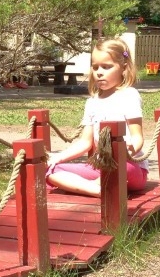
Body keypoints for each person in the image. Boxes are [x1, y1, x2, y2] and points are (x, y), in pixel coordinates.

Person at [45, 38, 148, 197]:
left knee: (119, 168)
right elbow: (85, 142)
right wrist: (58, 157)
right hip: (101, 166)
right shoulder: (92, 102)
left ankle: (98, 185)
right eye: (95, 67)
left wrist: (130, 148)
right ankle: (98, 189)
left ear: (123, 67)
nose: (99, 72)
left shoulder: (129, 95)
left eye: (106, 67)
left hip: (130, 167)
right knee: (51, 170)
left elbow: (138, 137)